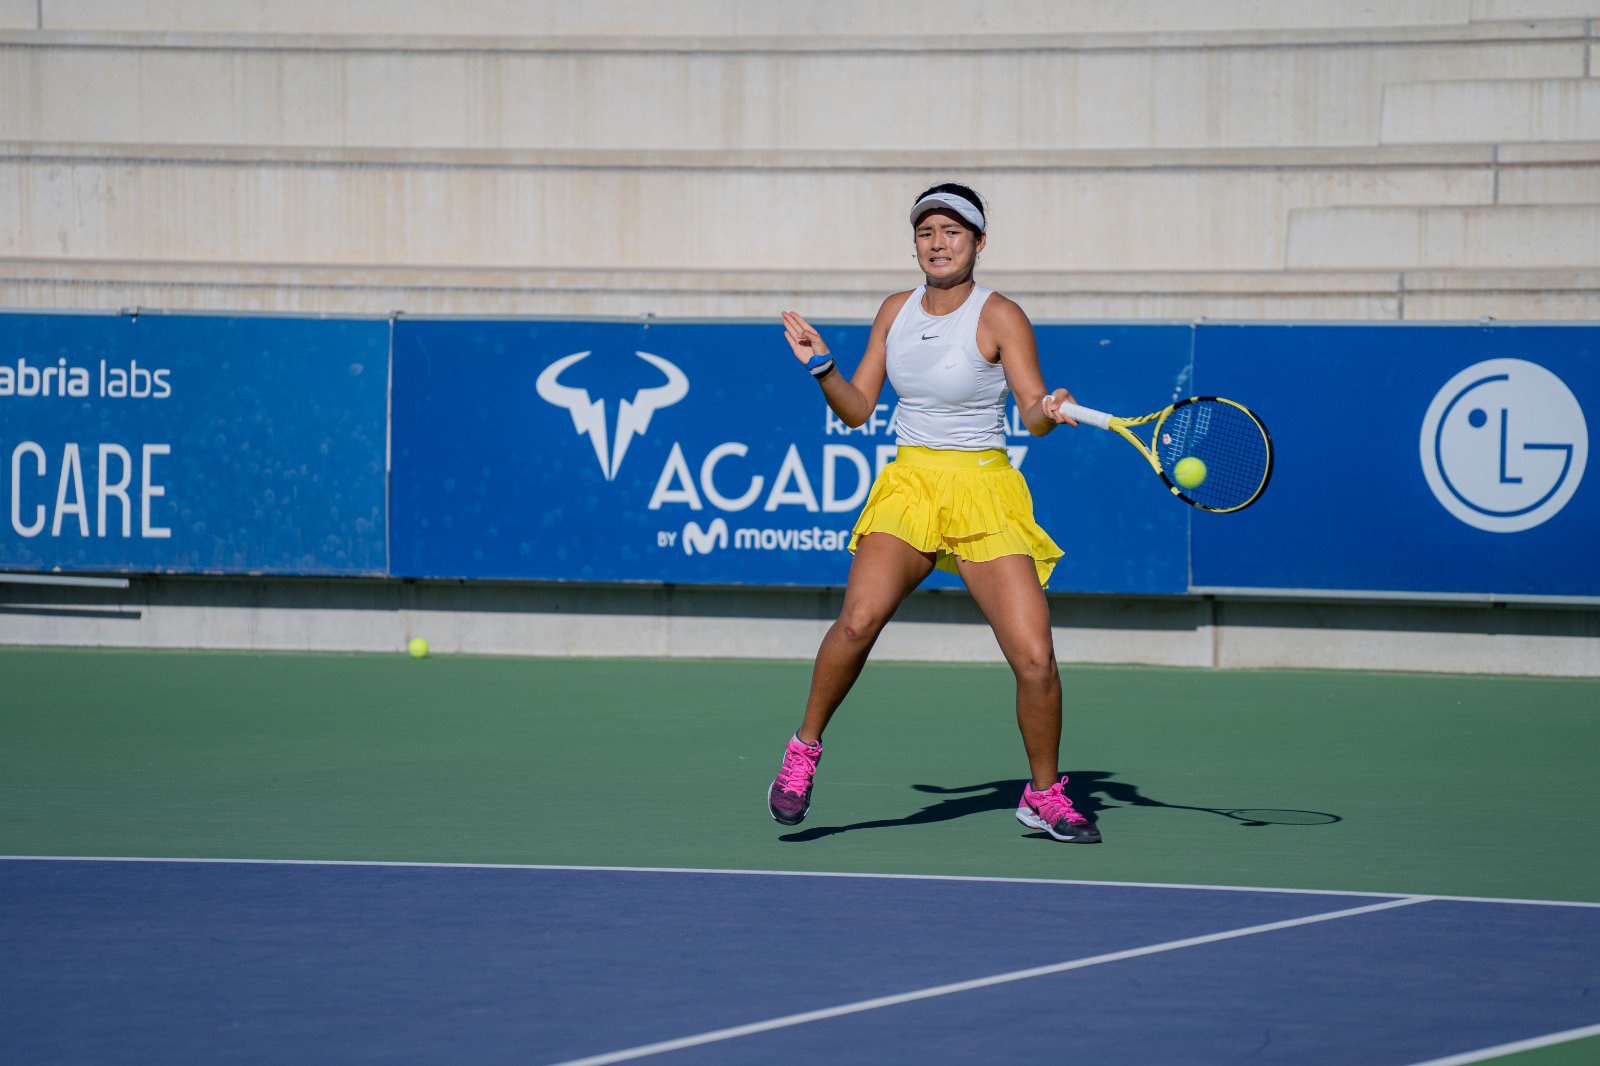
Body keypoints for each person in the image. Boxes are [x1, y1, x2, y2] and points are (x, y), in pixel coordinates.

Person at [768, 183, 1101, 844]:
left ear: (979, 242)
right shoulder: (895, 310)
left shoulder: (1001, 315)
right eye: (926, 232)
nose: (938, 243)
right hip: (911, 487)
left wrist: (1049, 409)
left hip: (983, 489)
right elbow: (858, 408)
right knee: (857, 622)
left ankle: (1043, 795)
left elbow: (1031, 413)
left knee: (1036, 658)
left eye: (952, 231)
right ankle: (803, 750)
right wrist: (822, 368)